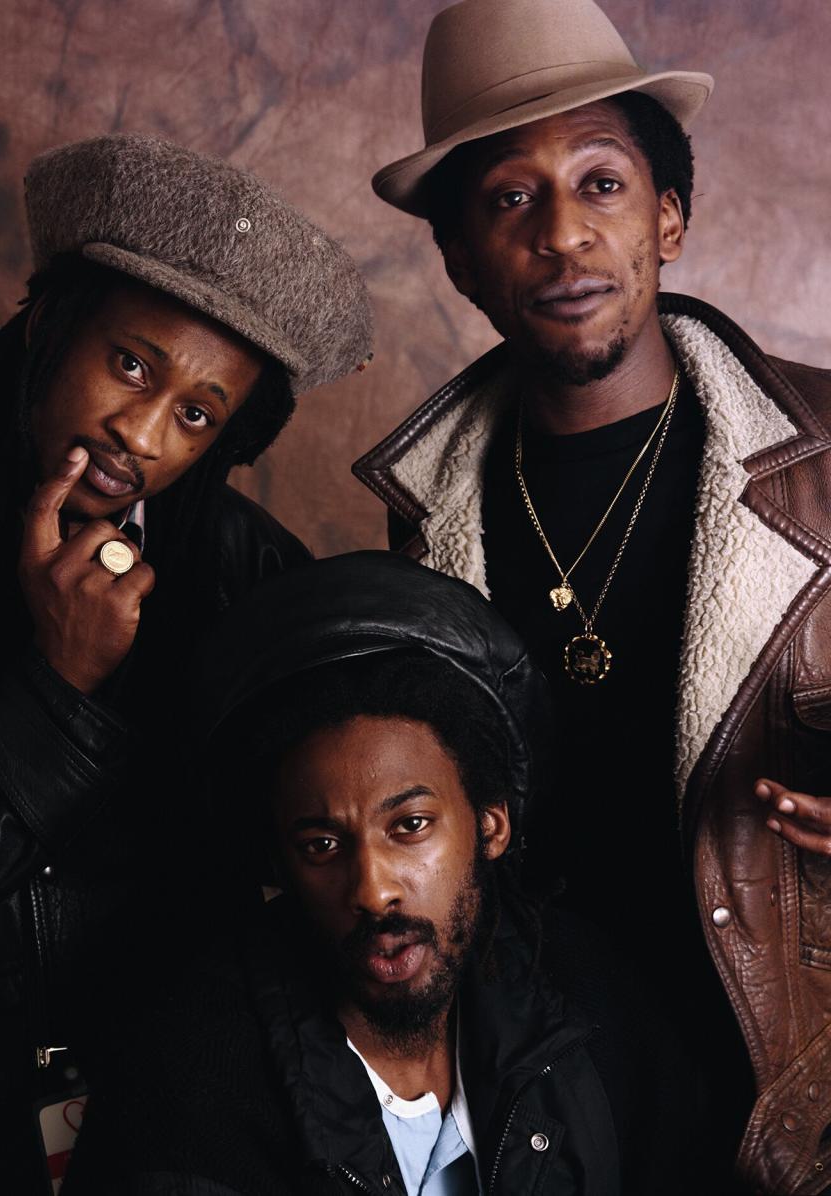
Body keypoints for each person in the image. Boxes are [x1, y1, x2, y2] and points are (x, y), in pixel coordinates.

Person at [352, 2, 831, 1191]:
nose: (564, 236)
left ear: (668, 215)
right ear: (460, 256)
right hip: (556, 1105)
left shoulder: (825, 460)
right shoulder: (422, 527)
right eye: (512, 198)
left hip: (797, 1083)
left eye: (603, 183)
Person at [0, 133, 371, 1194]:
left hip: (168, 1119)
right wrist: (54, 692)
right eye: (132, 363)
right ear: (51, 324)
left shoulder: (256, 576)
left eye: (195, 413)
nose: (139, 431)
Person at [65, 551, 702, 1196]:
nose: (373, 890)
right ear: (279, 862)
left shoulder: (592, 1004)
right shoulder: (193, 1081)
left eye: (411, 826)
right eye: (322, 844)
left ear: (490, 823)